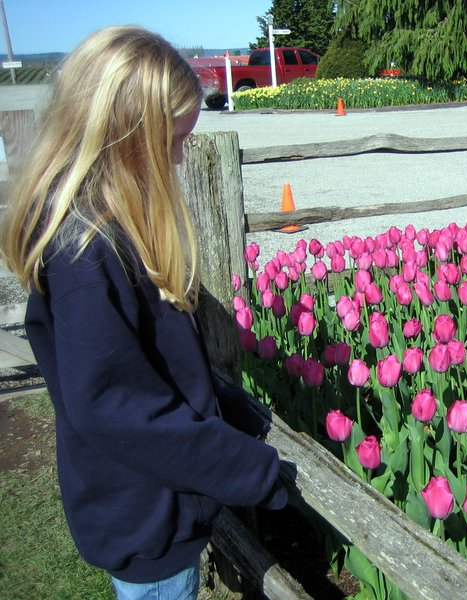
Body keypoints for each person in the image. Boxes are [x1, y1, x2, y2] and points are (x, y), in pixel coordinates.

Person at [0, 26, 287, 599]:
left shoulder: (100, 233)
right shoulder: (88, 256)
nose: (180, 158)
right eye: (173, 141)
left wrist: (230, 410)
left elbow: (149, 364)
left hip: (140, 503)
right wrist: (252, 470)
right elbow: (118, 407)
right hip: (149, 523)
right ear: (122, 137)